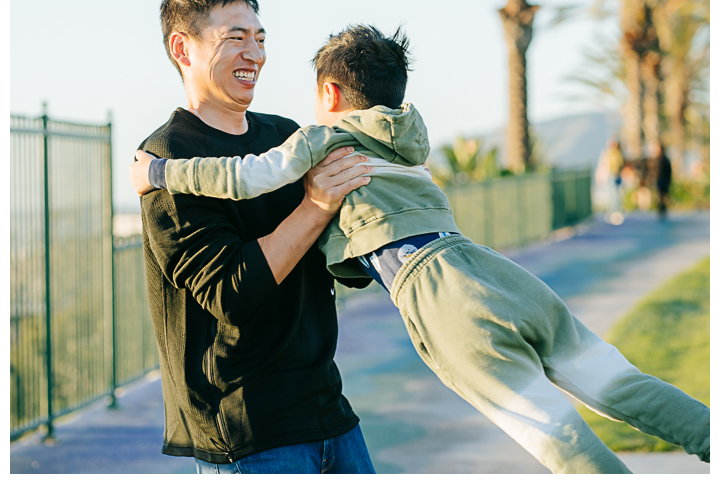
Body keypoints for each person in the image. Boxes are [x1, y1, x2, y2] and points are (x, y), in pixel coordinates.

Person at [132, 25, 710, 475]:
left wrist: (160, 170)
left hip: (440, 294)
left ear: (329, 94)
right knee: (619, 383)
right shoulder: (408, 142)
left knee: (552, 430)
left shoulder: (320, 139)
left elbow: (248, 179)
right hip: (492, 270)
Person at [136, 0, 376, 473]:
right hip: (248, 432)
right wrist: (315, 206)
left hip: (329, 411)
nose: (256, 54)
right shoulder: (167, 160)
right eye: (236, 38)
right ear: (184, 49)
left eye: (261, 39)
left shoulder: (286, 136)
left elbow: (337, 255)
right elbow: (230, 292)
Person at [642, 140, 673, 218]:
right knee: (658, 196)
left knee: (663, 196)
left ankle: (662, 209)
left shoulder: (665, 160)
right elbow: (647, 170)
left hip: (664, 180)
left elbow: (669, 171)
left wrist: (669, 180)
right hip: (656, 180)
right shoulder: (652, 159)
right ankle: (658, 210)